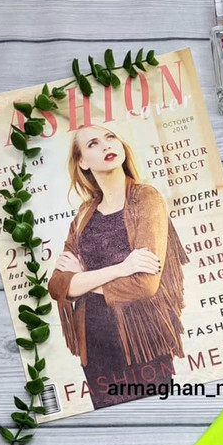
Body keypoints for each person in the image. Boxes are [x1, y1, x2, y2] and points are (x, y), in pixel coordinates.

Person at [48, 124, 189, 408]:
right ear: (82, 162)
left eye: (110, 137)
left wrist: (83, 280)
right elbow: (57, 286)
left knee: (155, 416)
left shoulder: (145, 198)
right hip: (95, 346)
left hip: (143, 341)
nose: (106, 145)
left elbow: (145, 285)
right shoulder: (84, 214)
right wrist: (121, 268)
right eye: (93, 144)